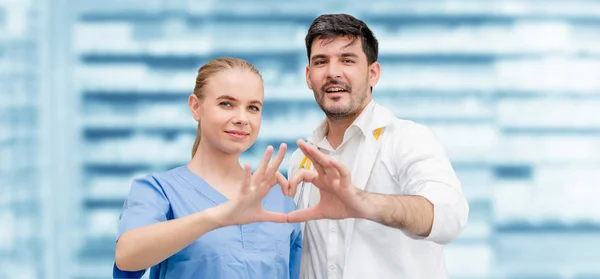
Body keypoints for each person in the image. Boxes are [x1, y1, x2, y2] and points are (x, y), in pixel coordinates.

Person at [282, 14, 470, 279]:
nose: (333, 72)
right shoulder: (300, 160)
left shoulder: (408, 139)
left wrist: (363, 203)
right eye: (321, 62)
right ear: (308, 76)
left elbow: (449, 217)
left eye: (347, 60)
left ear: (373, 73)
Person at [113, 57, 302, 279]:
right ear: (196, 107)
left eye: (253, 107)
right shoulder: (158, 190)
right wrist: (218, 216)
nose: (242, 118)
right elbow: (127, 256)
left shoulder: (280, 199)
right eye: (226, 104)